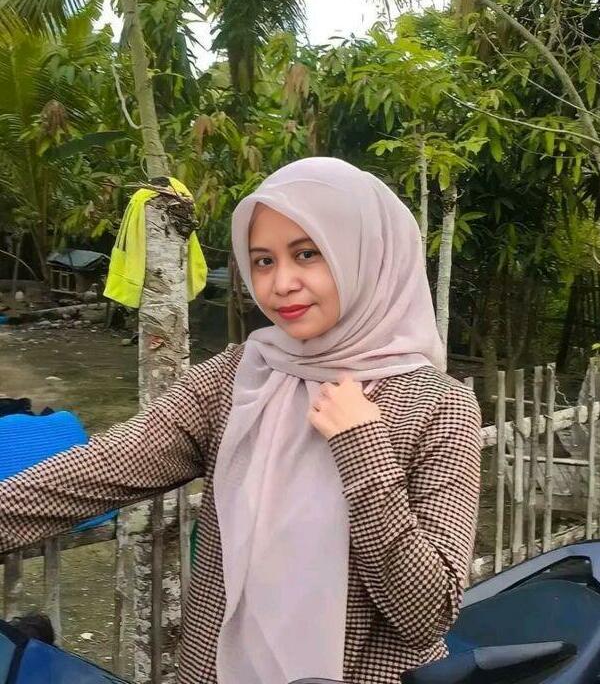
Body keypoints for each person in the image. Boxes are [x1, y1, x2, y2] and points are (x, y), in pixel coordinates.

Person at [0, 158, 481, 684]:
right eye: (263, 261)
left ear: (369, 255)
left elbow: (426, 616)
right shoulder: (236, 378)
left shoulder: (439, 406)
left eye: (307, 253)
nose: (281, 283)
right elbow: (102, 468)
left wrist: (361, 447)